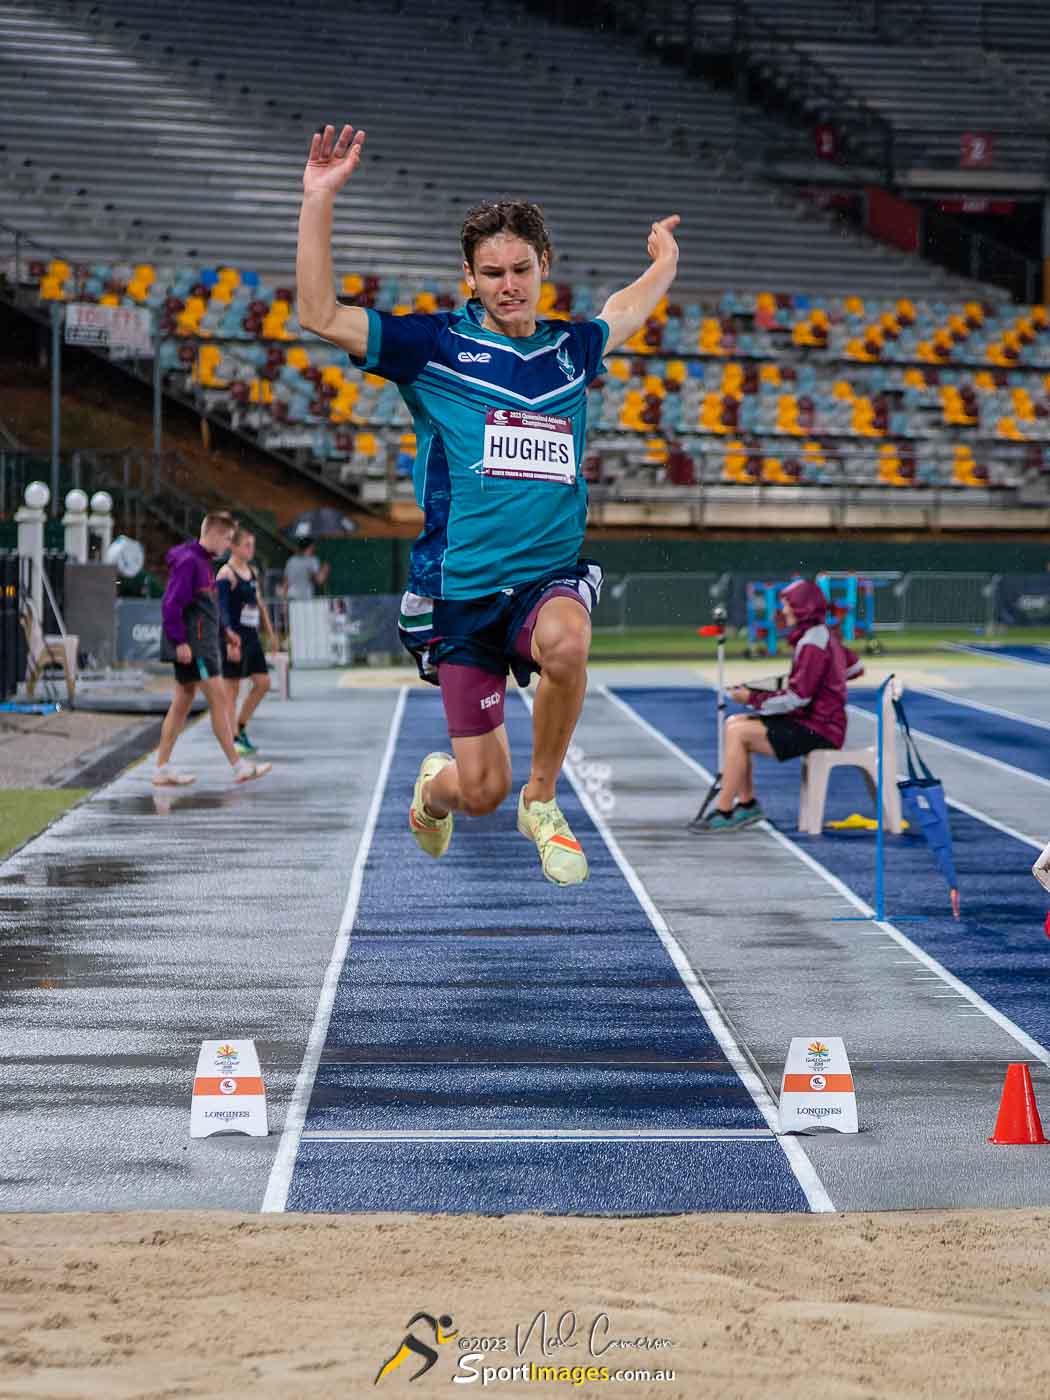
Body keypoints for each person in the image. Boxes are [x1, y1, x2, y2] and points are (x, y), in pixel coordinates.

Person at [296, 122, 679, 886]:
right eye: (492, 271)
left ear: (545, 267)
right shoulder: (432, 347)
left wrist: (665, 262)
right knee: (479, 792)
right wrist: (318, 202)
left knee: (568, 642)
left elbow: (626, 309)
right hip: (462, 591)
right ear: (468, 275)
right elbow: (319, 315)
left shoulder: (574, 349)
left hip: (546, 579)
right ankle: (435, 792)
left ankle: (544, 800)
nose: (509, 284)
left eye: (522, 269)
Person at [693, 578, 864, 833]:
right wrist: (826, 681)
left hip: (820, 728)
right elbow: (855, 667)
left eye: (788, 605)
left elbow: (797, 698)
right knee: (734, 724)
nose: (783, 611)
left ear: (803, 607)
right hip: (819, 721)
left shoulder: (812, 643)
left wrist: (751, 698)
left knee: (739, 732)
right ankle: (747, 804)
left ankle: (726, 810)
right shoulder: (823, 634)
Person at [153, 512, 272, 787]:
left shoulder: (202, 562)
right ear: (215, 534)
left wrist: (225, 633)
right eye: (228, 539)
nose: (228, 544)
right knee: (219, 699)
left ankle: (162, 768)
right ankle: (238, 766)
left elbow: (206, 607)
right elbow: (172, 605)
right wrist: (180, 640)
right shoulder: (189, 562)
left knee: (182, 703)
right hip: (194, 648)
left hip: (200, 644)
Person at [217, 526, 278, 756]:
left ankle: (240, 726)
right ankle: (232, 738)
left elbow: (259, 604)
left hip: (252, 637)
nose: (251, 549)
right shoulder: (226, 574)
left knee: (263, 683)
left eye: (253, 545)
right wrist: (229, 639)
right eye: (247, 545)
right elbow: (221, 609)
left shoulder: (252, 572)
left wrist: (271, 634)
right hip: (234, 638)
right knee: (231, 690)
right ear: (233, 547)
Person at [281, 537, 330, 601]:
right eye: (313, 546)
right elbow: (319, 580)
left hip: (291, 596)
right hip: (305, 598)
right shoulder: (312, 560)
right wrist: (325, 570)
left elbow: (285, 581)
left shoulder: (291, 560)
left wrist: (284, 601)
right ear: (311, 547)